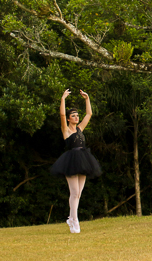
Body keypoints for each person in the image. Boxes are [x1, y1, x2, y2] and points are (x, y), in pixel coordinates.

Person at [50, 89, 102, 233]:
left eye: (77, 115)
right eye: (73, 116)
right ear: (68, 119)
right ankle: (74, 220)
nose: (76, 117)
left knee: (78, 193)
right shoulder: (66, 130)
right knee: (74, 192)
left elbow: (89, 114)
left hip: (84, 160)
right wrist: (63, 99)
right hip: (71, 161)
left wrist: (87, 99)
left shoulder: (80, 129)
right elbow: (61, 114)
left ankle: (72, 218)